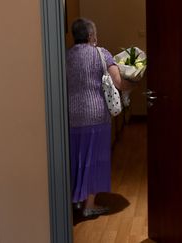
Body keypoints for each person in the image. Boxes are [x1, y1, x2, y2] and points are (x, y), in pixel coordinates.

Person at [66, 17, 135, 217]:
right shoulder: (101, 54)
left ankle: (77, 201)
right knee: (94, 158)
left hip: (71, 117)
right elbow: (119, 83)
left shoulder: (66, 56)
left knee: (76, 158)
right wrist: (134, 83)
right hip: (96, 116)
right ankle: (89, 205)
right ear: (90, 35)